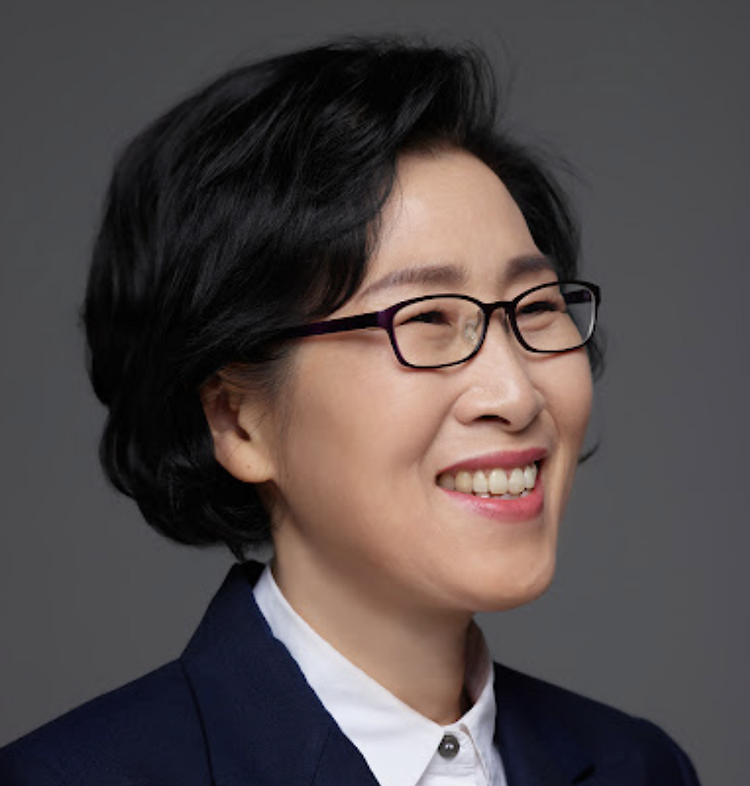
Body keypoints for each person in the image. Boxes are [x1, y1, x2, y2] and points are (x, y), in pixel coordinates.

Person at [0, 37, 701, 785]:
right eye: (427, 318)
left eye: (535, 306)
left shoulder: (640, 767)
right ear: (238, 420)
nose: (515, 393)